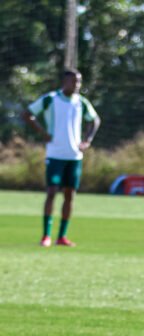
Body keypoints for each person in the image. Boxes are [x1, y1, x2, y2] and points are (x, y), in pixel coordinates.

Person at [22, 68, 100, 248]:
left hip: (74, 156)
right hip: (55, 154)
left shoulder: (81, 102)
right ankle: (46, 235)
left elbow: (95, 120)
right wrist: (42, 132)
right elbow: (27, 114)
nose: (77, 85)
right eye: (74, 81)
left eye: (79, 81)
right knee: (51, 192)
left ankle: (62, 236)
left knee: (69, 195)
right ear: (64, 82)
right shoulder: (51, 99)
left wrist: (87, 140)